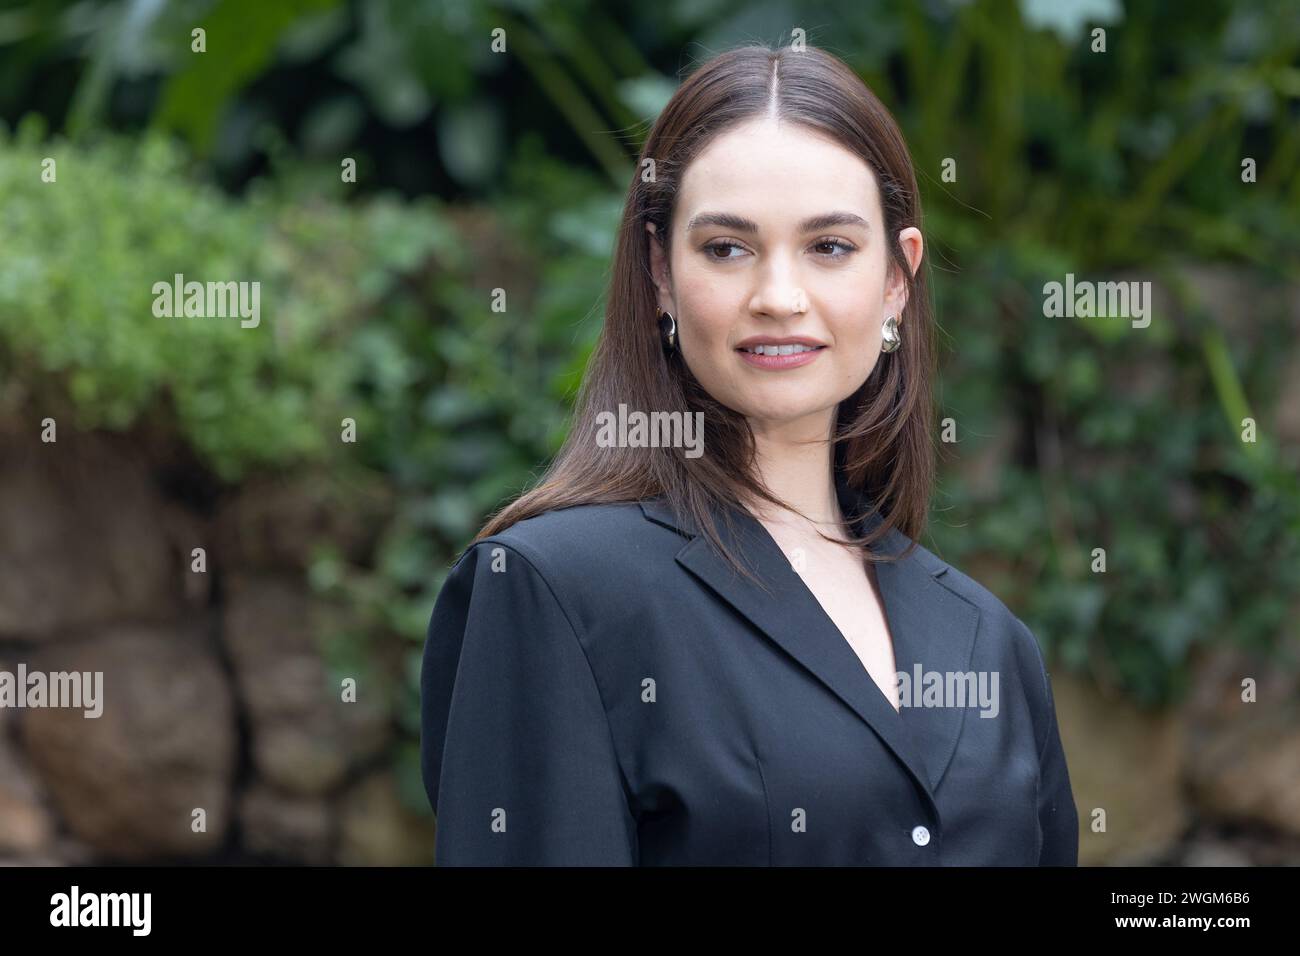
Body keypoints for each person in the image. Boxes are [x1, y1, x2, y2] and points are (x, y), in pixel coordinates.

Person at [420, 43, 1079, 866]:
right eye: (727, 248)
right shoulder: (557, 591)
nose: (777, 296)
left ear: (897, 281)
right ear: (659, 272)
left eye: (829, 247)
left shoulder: (991, 642)